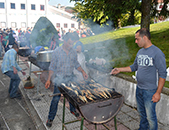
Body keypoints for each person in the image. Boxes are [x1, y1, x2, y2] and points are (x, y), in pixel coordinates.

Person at [110, 28, 167, 130]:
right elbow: (134, 67)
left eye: (137, 39)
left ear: (144, 37)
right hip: (139, 88)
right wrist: (119, 69)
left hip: (150, 91)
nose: (135, 41)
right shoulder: (140, 52)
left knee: (151, 117)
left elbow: (163, 74)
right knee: (142, 114)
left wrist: (158, 93)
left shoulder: (157, 53)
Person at [45, 32, 88, 127]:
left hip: (70, 77)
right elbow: (52, 67)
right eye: (69, 43)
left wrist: (83, 71)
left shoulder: (73, 51)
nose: (70, 46)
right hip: (59, 79)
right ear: (64, 41)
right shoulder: (57, 51)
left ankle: (73, 110)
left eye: (72, 44)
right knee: (56, 99)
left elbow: (76, 64)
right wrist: (48, 80)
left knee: (72, 96)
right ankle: (50, 118)